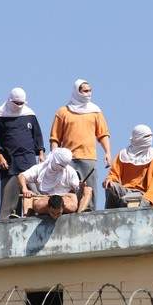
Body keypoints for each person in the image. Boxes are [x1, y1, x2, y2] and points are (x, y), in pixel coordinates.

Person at [49, 79, 111, 210]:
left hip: (88, 158)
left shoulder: (95, 112)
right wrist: (54, 156)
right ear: (77, 92)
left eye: (90, 91)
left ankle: (89, 213)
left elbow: (103, 134)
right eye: (85, 91)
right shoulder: (63, 112)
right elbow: (55, 138)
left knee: (89, 188)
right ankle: (69, 212)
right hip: (68, 159)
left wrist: (107, 152)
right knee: (69, 189)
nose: (88, 94)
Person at [0, 87, 45, 219]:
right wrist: (0, 156)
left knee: (32, 192)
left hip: (28, 159)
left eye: (22, 103)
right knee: (9, 194)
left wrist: (41, 153)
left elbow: (37, 135)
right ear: (10, 100)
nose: (19, 106)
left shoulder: (29, 114)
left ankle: (32, 215)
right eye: (17, 103)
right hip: (9, 162)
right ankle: (8, 218)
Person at [18, 148, 92, 219]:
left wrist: (81, 186)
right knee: (28, 197)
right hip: (45, 200)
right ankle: (26, 218)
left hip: (65, 200)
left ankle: (79, 216)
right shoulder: (40, 168)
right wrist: (25, 189)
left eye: (64, 165)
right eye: (60, 165)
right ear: (55, 160)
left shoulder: (69, 171)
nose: (62, 167)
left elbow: (77, 188)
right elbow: (21, 176)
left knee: (88, 190)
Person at [103, 124, 153, 208]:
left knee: (125, 201)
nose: (149, 139)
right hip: (124, 190)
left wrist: (148, 199)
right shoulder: (123, 154)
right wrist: (109, 180)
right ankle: (109, 214)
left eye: (150, 136)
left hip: (141, 194)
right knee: (111, 187)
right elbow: (114, 174)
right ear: (137, 138)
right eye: (146, 136)